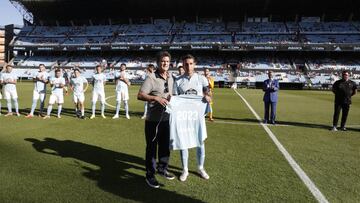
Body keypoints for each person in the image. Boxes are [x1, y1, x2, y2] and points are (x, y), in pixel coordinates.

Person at [137, 51, 175, 188]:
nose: (165, 63)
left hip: (166, 119)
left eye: (167, 61)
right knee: (152, 148)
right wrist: (155, 98)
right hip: (153, 121)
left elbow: (171, 95)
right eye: (162, 61)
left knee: (165, 147)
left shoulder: (171, 78)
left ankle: (163, 169)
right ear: (158, 63)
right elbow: (140, 95)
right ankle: (150, 175)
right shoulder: (151, 78)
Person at [173, 54, 211, 182]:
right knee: (184, 142)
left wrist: (208, 97)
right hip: (183, 118)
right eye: (186, 64)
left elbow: (208, 93)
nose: (188, 66)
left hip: (197, 117)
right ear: (182, 65)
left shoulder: (201, 79)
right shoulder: (178, 81)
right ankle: (185, 169)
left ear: (194, 64)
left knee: (200, 142)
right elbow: (175, 99)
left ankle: (200, 167)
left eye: (190, 63)